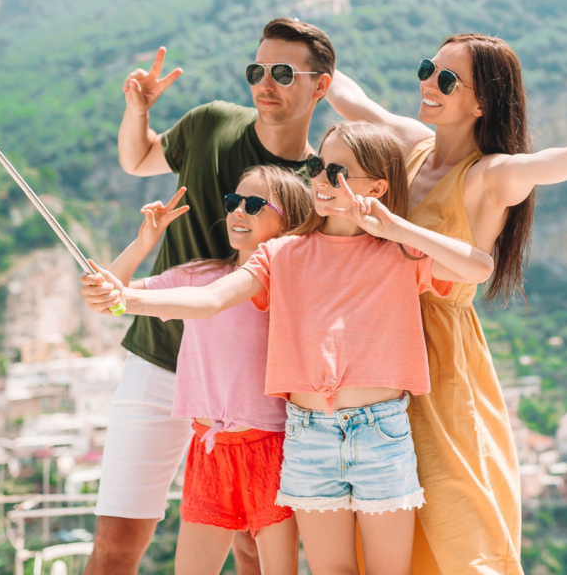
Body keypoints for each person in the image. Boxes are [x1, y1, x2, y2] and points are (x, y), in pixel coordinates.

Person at [107, 121, 495, 575]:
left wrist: (394, 226)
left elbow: (479, 269)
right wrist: (127, 298)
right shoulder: (282, 254)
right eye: (317, 167)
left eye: (337, 171)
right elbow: (211, 299)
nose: (321, 180)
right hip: (307, 435)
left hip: (381, 433)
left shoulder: (400, 254)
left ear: (379, 185)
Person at [324, 34, 567, 574]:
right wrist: (306, 65)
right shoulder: (409, 144)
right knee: (376, 518)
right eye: (428, 68)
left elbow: (538, 166)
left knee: (451, 505)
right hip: (374, 351)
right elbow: (355, 102)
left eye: (446, 79)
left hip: (439, 359)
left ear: (482, 101)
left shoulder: (489, 173)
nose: (428, 82)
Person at [85, 18, 334, 575]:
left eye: (284, 72)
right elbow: (138, 158)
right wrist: (138, 110)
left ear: (321, 86)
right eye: (257, 69)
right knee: (116, 545)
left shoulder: (320, 185)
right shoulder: (212, 123)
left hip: (246, 389)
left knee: (252, 550)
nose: (265, 83)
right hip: (158, 359)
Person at [82, 165, 312, 575]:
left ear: (288, 221)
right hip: (208, 449)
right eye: (233, 203)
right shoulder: (198, 274)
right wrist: (143, 242)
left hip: (272, 449)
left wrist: (123, 298)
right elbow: (108, 296)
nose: (239, 212)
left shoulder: (282, 279)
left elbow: (201, 302)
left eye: (255, 205)